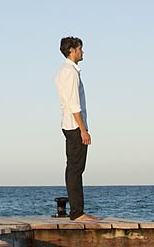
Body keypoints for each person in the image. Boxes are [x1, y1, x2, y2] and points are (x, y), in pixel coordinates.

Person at [55, 36, 95, 222]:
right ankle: (77, 213)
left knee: (74, 168)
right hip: (74, 126)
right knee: (75, 169)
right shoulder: (69, 72)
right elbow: (74, 104)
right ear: (72, 50)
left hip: (69, 124)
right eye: (80, 48)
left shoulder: (64, 71)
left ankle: (77, 211)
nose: (82, 51)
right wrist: (83, 129)